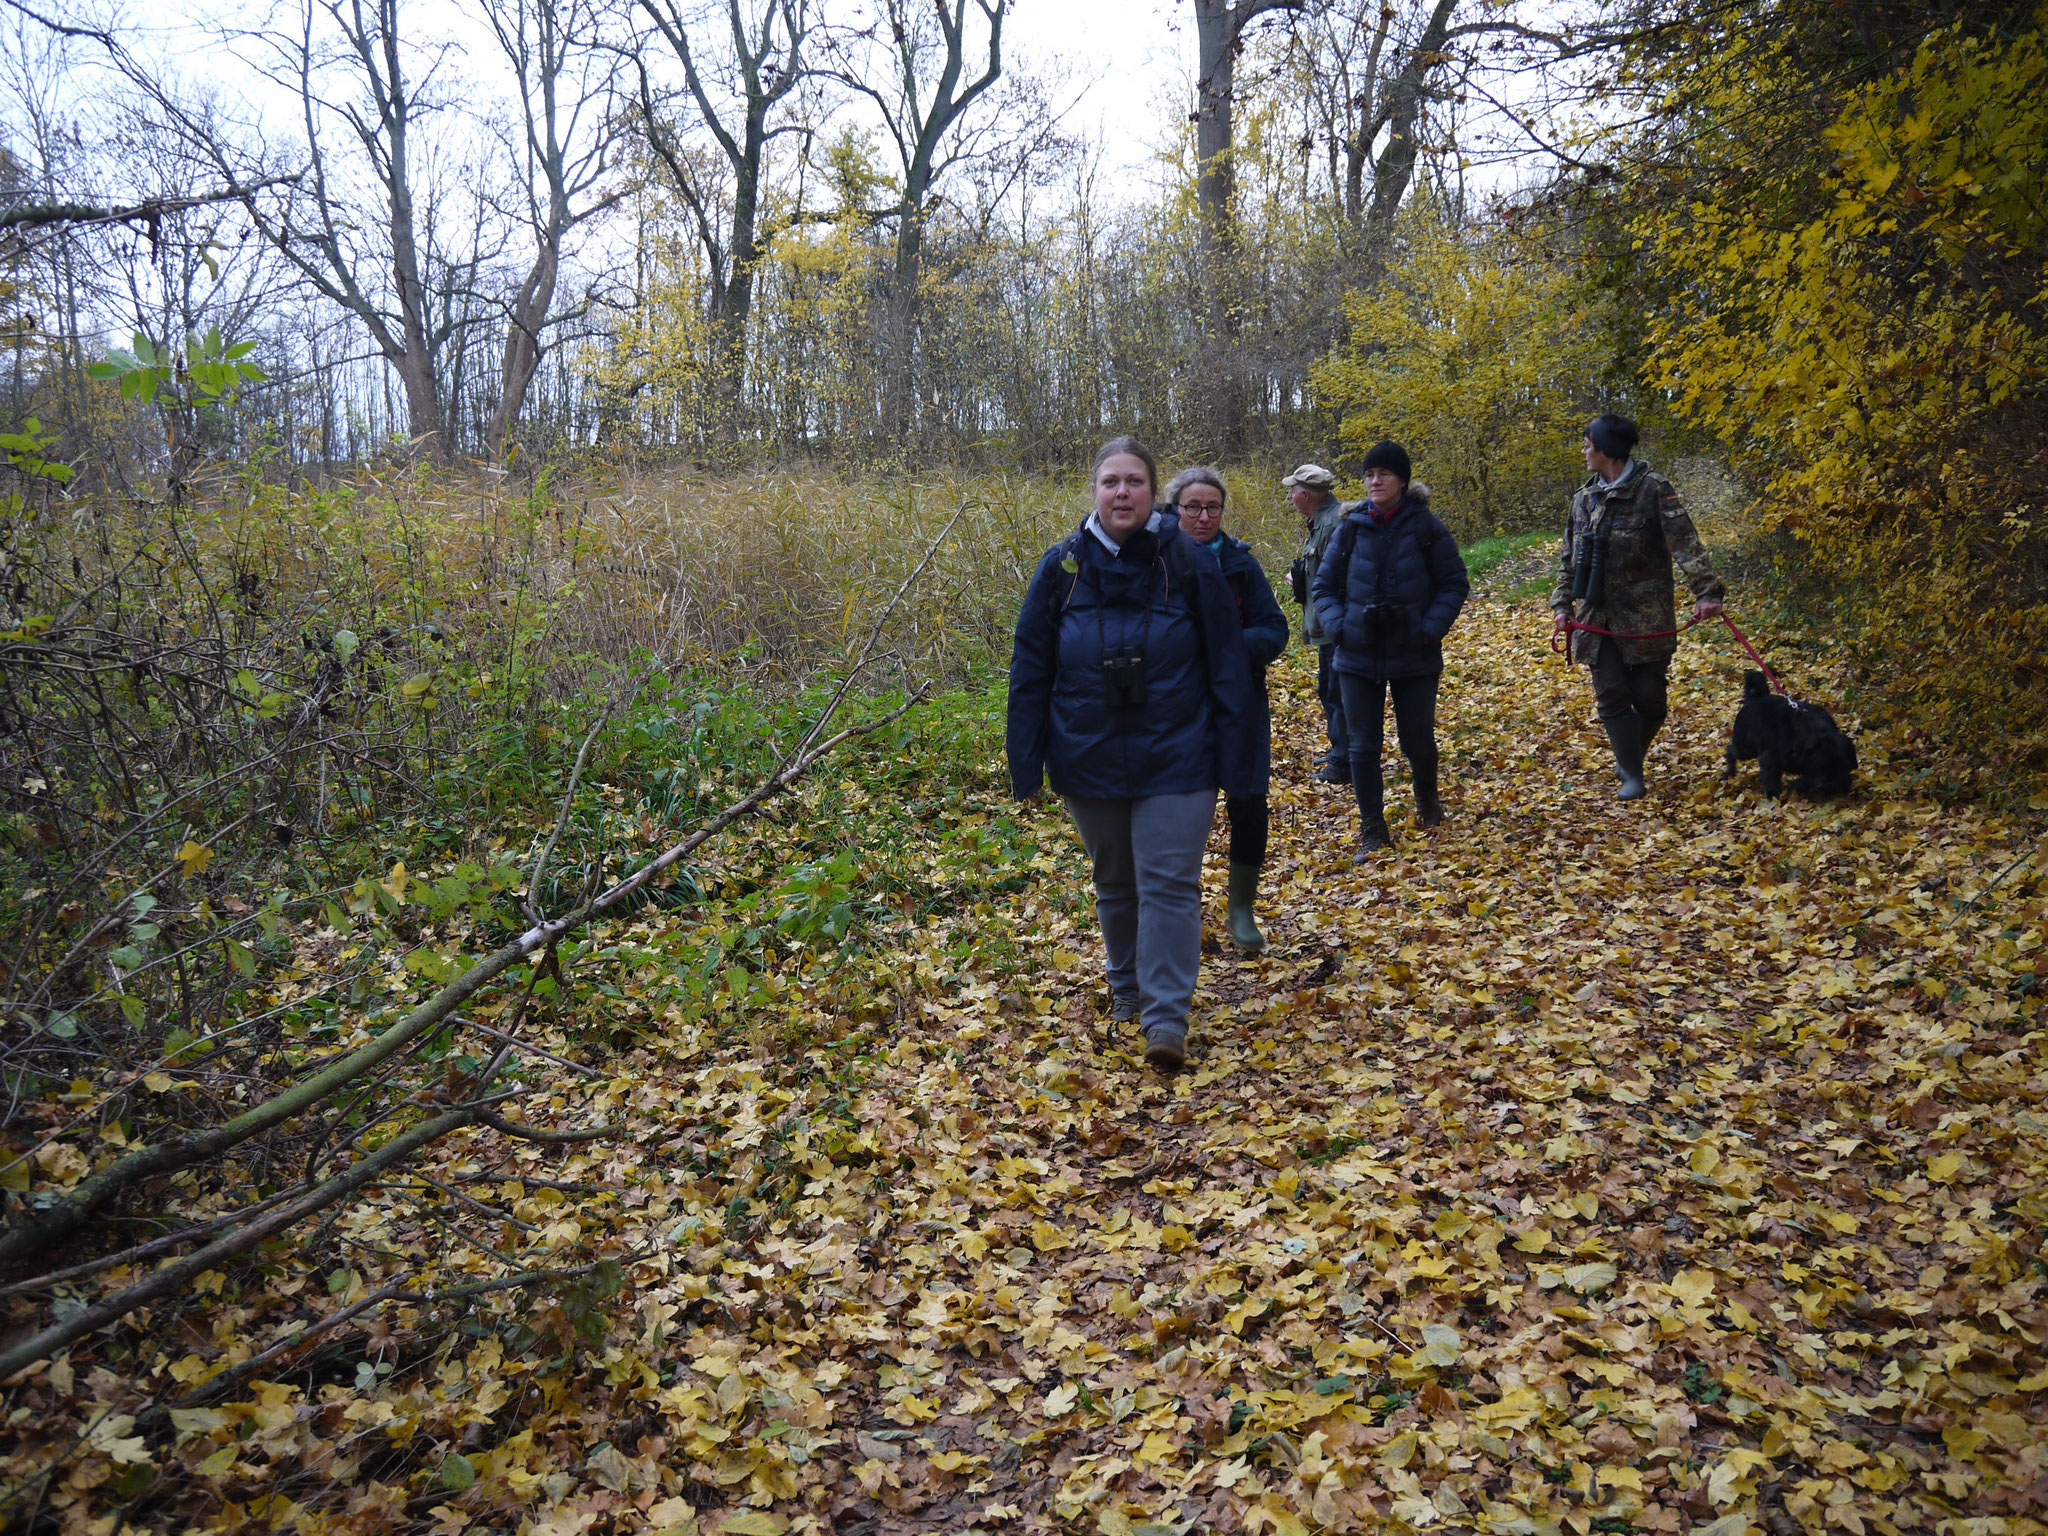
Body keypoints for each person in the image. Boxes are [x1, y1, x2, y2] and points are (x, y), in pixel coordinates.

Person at [1006, 436, 1256, 1071]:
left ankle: (1166, 1016)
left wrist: (1239, 760)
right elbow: (1030, 669)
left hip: (1179, 753)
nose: (1123, 492)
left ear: (1154, 493)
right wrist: (1025, 760)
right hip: (1087, 753)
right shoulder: (1061, 567)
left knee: (1170, 882)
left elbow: (1227, 665)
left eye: (1135, 482)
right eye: (1111, 481)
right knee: (1116, 881)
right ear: (1094, 492)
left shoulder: (1191, 563)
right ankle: (1127, 990)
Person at [1549, 413, 1725, 801]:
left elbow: (1686, 543)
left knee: (1650, 698)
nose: (1583, 450)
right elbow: (1568, 559)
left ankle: (1630, 753)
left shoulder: (1653, 489)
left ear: (1606, 449)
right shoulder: (1583, 498)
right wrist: (1562, 604)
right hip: (1597, 616)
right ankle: (1631, 771)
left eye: (1587, 444)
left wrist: (1707, 592)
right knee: (1611, 692)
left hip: (1647, 615)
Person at [1310, 439, 1468, 858]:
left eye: (1383, 474)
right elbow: (1323, 587)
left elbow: (1454, 583)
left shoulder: (1425, 527)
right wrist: (1340, 626)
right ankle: (1373, 829)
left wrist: (1427, 628)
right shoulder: (1349, 527)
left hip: (1414, 654)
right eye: (1369, 474)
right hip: (1357, 655)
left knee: (1417, 740)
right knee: (1362, 745)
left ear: (1402, 480)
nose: (1374, 481)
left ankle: (1427, 801)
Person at [1165, 466, 1287, 952]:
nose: (1202, 516)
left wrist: (1227, 647)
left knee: (1249, 803)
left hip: (1240, 700)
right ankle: (1179, 911)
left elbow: (1273, 628)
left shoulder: (1239, 562)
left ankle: (1241, 911)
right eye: (1192, 507)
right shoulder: (1155, 559)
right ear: (1175, 510)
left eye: (1212, 507)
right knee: (1176, 810)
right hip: (1176, 705)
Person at [1284, 464, 1350, 784]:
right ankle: (1342, 751)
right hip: (1327, 624)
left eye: (1292, 490)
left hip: (1335, 626)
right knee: (1330, 689)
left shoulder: (1332, 524)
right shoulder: (1321, 522)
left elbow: (1340, 579)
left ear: (1306, 494)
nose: (1290, 496)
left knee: (1338, 692)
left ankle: (1343, 761)